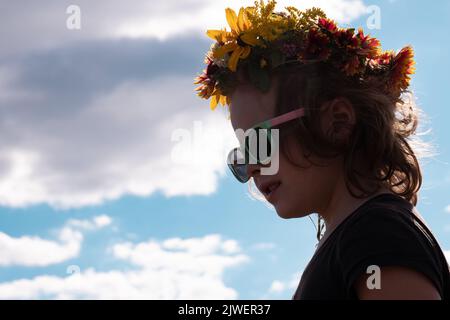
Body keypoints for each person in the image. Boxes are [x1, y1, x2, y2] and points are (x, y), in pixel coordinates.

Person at [194, 0, 450, 300]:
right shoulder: (359, 236)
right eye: (243, 151)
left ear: (337, 122)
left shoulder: (377, 235)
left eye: (259, 141)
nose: (251, 168)